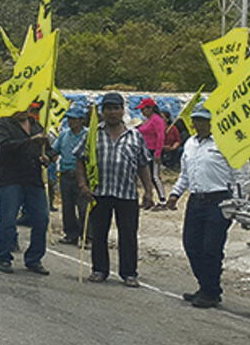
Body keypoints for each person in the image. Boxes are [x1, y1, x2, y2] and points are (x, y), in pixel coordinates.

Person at [165, 105, 250, 308]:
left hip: (219, 201)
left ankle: (210, 292)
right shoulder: (190, 144)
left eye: (204, 120)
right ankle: (205, 286)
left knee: (211, 248)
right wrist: (175, 194)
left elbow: (240, 174)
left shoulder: (226, 143)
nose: (199, 124)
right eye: (196, 120)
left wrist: (239, 203)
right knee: (191, 245)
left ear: (213, 122)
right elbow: (185, 174)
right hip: (195, 200)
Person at [76, 92, 156, 287]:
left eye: (116, 108)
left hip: (126, 194)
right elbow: (80, 159)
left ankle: (129, 273)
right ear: (102, 112)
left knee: (128, 235)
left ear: (122, 111)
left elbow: (143, 164)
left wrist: (148, 190)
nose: (112, 113)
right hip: (99, 193)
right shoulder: (92, 134)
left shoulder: (135, 136)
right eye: (108, 109)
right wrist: (82, 184)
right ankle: (99, 270)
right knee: (99, 233)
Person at [0, 106, 53, 275]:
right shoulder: (3, 125)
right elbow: (4, 147)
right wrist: (30, 140)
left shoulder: (37, 126)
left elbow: (48, 150)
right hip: (11, 179)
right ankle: (4, 257)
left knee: (41, 219)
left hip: (33, 179)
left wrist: (47, 158)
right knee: (8, 219)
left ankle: (34, 258)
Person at [53, 106, 90, 245]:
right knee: (67, 207)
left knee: (83, 207)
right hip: (65, 173)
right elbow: (55, 151)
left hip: (82, 175)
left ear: (81, 120)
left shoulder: (88, 135)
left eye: (73, 119)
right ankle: (71, 234)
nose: (70, 121)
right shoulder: (64, 134)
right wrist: (47, 156)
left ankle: (86, 236)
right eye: (69, 118)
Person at [134, 97, 168, 206]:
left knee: (155, 176)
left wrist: (158, 153)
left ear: (150, 108)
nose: (142, 112)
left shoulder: (157, 120)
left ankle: (163, 199)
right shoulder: (147, 120)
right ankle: (149, 198)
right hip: (145, 151)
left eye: (143, 109)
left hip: (153, 151)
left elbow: (161, 136)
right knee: (146, 176)